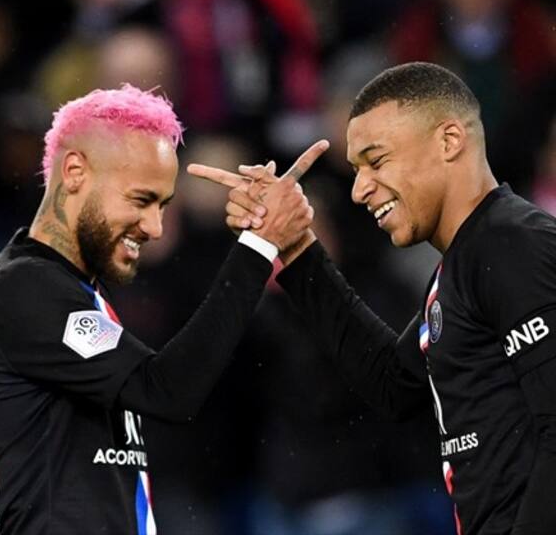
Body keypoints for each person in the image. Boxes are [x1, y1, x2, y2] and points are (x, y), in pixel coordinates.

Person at [189, 62, 556, 535]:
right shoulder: (462, 265)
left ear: (449, 141)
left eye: (376, 161)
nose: (360, 190)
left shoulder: (512, 245)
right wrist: (297, 249)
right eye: (357, 169)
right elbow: (393, 385)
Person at [0, 84, 324, 535]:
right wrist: (257, 244)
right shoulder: (23, 289)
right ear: (74, 171)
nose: (154, 227)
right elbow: (166, 391)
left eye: (163, 204)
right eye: (140, 200)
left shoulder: (73, 290)